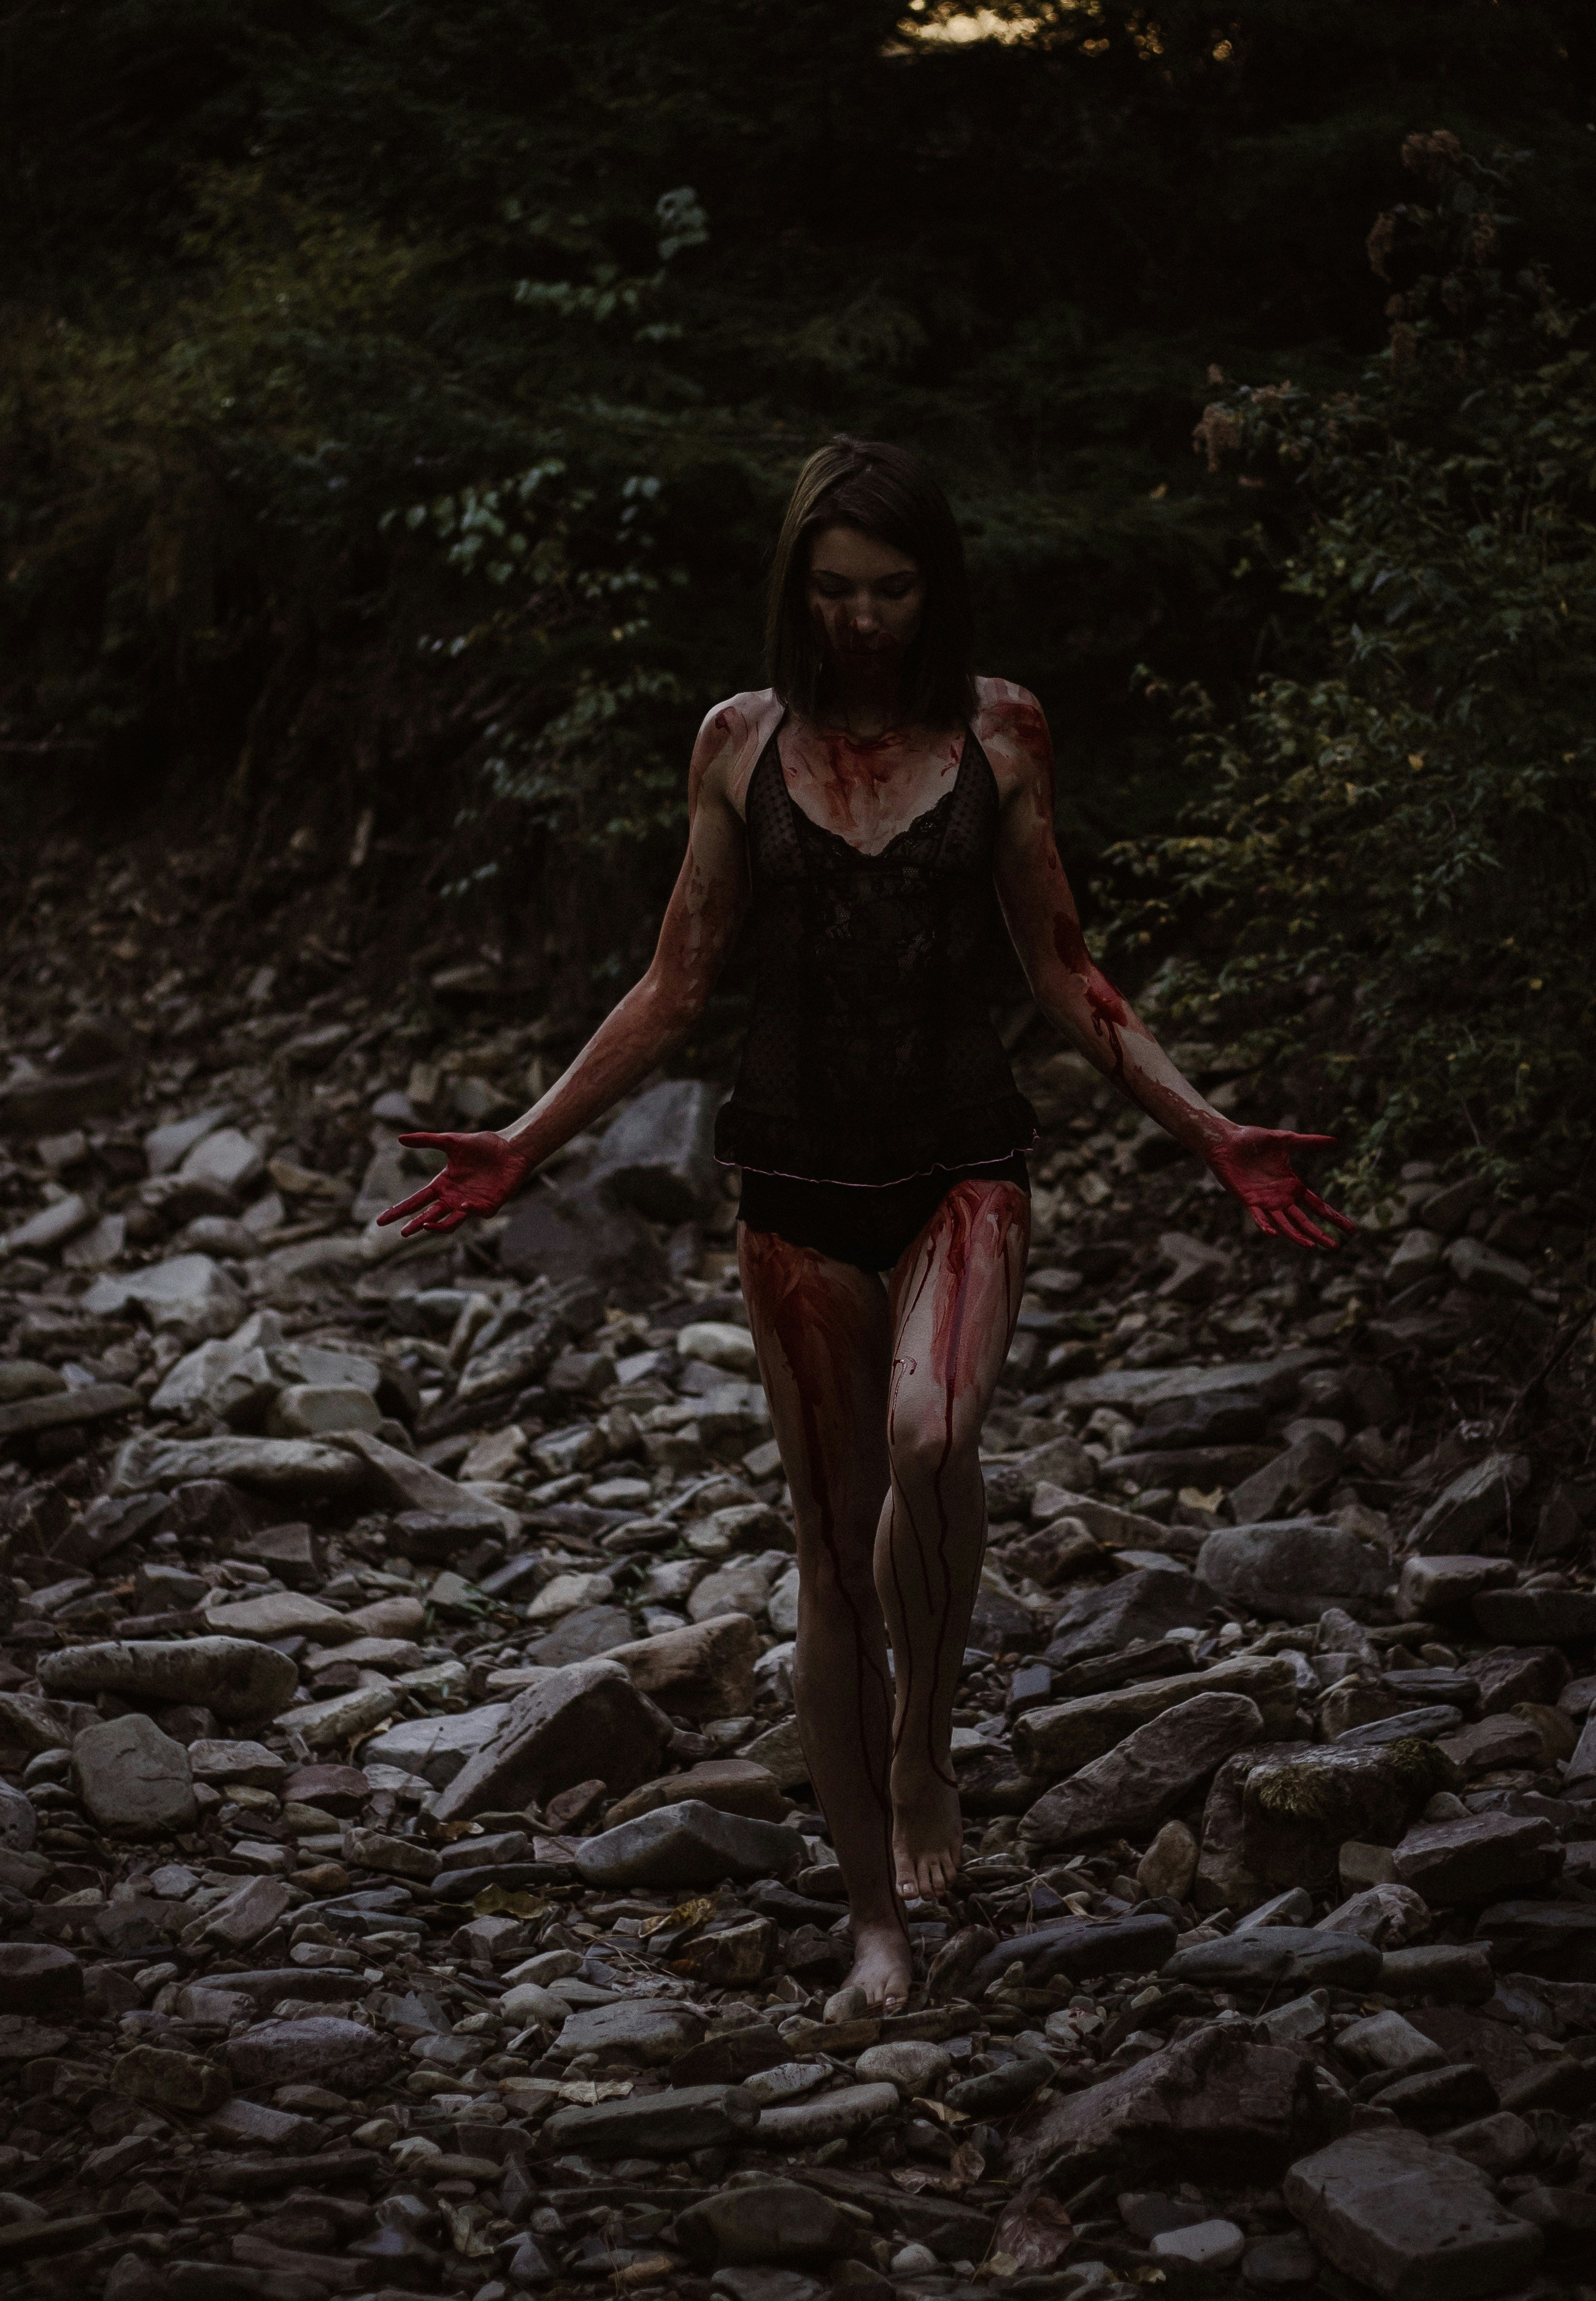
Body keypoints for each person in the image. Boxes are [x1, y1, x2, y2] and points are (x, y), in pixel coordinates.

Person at [381, 436, 1352, 2011]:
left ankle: (924, 1746)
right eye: (833, 590)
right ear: (795, 590)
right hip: (792, 1184)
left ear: (935, 586)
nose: (861, 620)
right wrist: (523, 1142)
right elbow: (676, 982)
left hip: (963, 1161)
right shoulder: (737, 741)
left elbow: (1059, 967)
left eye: (892, 589)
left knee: (928, 1436)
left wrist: (1211, 1131)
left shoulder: (1002, 729)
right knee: (833, 1558)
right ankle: (872, 1922)